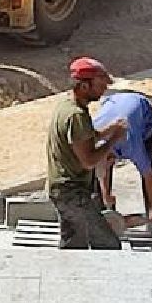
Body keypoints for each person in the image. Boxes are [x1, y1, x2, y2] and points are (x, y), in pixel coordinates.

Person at [48, 56, 129, 249]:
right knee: (108, 245)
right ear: (84, 86)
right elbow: (89, 160)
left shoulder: (67, 106)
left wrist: (109, 129)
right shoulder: (76, 116)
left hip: (64, 189)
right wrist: (115, 138)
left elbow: (83, 138)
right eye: (100, 85)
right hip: (72, 192)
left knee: (74, 245)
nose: (104, 90)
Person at [96, 89, 152, 230]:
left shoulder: (132, 145)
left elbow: (148, 176)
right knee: (101, 183)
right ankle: (108, 212)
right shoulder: (91, 140)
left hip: (142, 109)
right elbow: (102, 169)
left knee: (149, 163)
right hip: (113, 103)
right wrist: (106, 195)